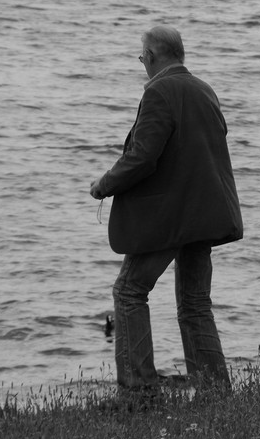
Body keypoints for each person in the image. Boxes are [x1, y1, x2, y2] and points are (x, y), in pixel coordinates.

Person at [90, 25, 242, 398]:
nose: (142, 63)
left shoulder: (159, 91)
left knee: (128, 291)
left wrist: (104, 184)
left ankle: (138, 392)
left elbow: (142, 157)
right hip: (205, 215)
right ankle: (215, 393)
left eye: (142, 56)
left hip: (172, 217)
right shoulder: (204, 89)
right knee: (194, 303)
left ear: (153, 56)